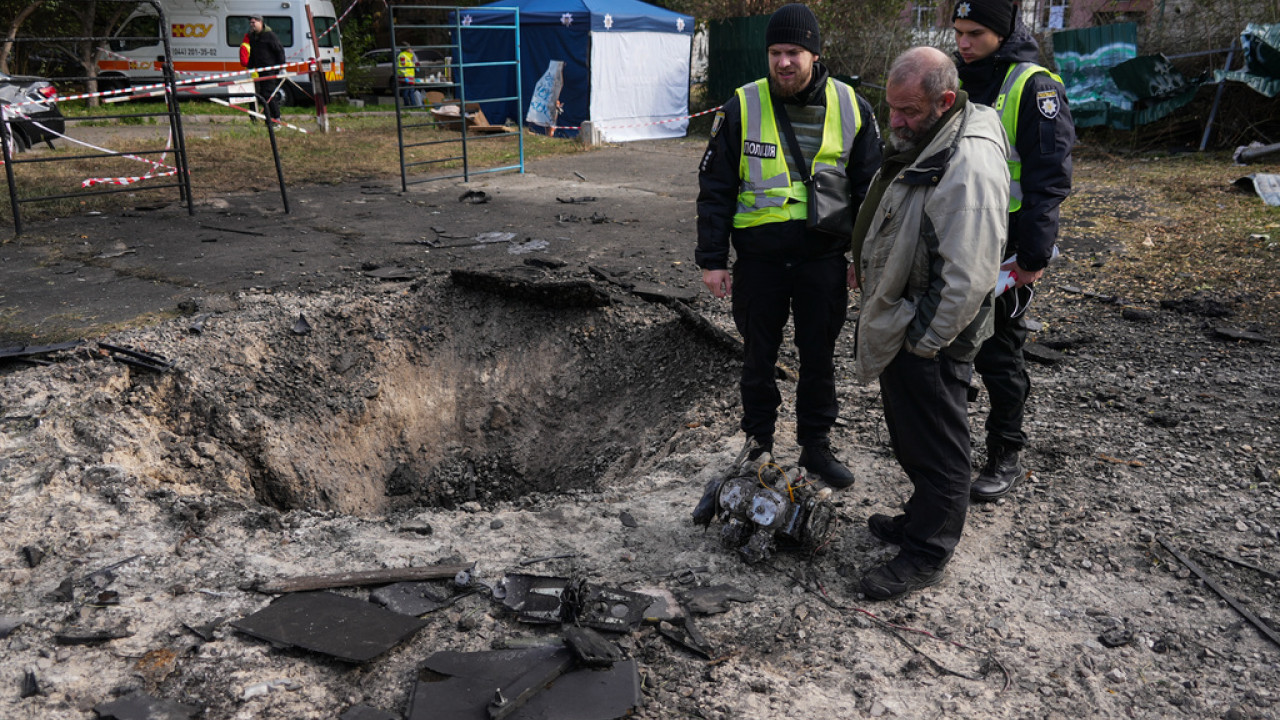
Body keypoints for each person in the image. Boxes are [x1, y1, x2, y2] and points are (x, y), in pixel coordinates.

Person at [695, 3, 882, 489]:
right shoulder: (743, 105)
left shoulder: (852, 106)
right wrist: (712, 261)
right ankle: (757, 442)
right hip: (759, 262)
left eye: (793, 52)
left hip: (822, 259)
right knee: (758, 356)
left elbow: (872, 192)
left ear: (815, 54)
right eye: (776, 52)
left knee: (819, 355)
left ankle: (815, 446)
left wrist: (863, 260)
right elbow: (715, 187)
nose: (783, 62)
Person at [849, 47, 1009, 600]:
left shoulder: (968, 163)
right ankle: (919, 519)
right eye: (890, 108)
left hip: (932, 333)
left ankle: (927, 550)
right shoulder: (931, 137)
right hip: (910, 319)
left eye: (908, 111)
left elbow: (967, 276)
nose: (895, 122)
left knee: (940, 444)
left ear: (945, 101)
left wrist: (923, 341)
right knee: (913, 433)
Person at [952, 0, 1075, 501]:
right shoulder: (957, 78)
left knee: (999, 353)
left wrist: (1033, 256)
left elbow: (1049, 178)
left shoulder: (1034, 86)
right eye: (958, 32)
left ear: (1002, 33)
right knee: (948, 344)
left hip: (1006, 249)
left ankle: (1006, 450)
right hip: (957, 239)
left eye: (975, 34)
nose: (963, 43)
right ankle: (950, 449)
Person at [246, 14, 286, 122]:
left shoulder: (270, 35)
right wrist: (250, 68)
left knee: (268, 94)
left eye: (253, 23)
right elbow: (253, 53)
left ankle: (276, 118)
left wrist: (282, 67)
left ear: (260, 22)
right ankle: (268, 119)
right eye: (250, 23)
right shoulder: (252, 36)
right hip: (260, 70)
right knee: (262, 95)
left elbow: (279, 51)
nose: (252, 25)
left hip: (270, 70)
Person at [397, 41, 423, 108]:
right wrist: (404, 75)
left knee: (411, 91)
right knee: (406, 92)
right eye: (409, 48)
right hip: (405, 77)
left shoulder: (410, 55)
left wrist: (416, 66)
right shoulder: (402, 56)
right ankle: (407, 105)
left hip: (410, 76)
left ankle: (413, 105)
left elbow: (414, 62)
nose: (411, 49)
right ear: (406, 49)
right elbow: (402, 66)